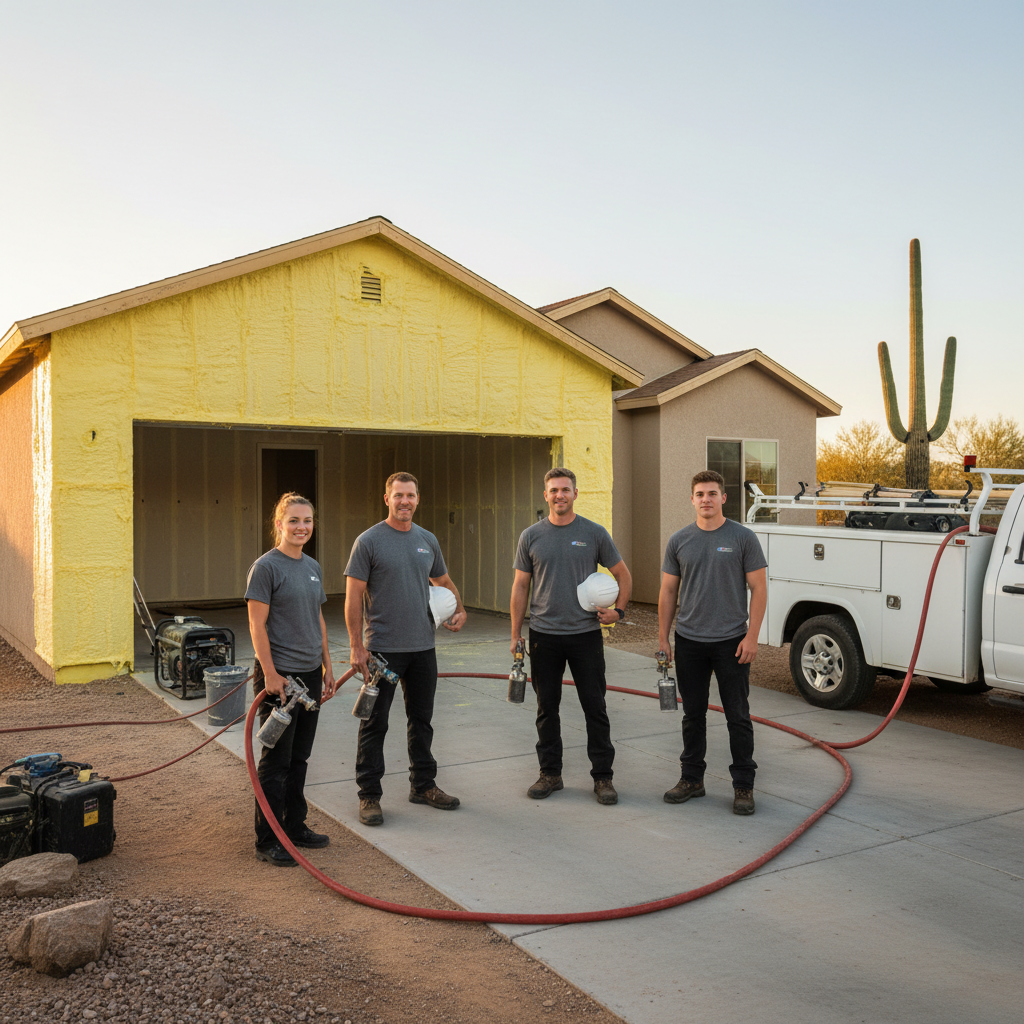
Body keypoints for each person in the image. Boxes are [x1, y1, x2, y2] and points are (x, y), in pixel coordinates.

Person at [344, 472, 467, 827]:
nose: (405, 502)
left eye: (410, 496)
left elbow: (441, 580)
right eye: (398, 495)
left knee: (422, 721)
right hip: (383, 652)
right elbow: (353, 596)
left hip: (423, 649)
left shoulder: (426, 539)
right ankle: (369, 795)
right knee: (374, 723)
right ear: (387, 499)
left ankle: (423, 785)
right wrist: (357, 647)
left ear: (417, 499)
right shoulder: (369, 541)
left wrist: (459, 608)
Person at [510, 467, 632, 805]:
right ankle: (550, 774)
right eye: (553, 490)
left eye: (565, 489)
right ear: (545, 495)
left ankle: (603, 778)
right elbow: (521, 586)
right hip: (543, 636)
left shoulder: (593, 533)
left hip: (585, 636)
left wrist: (618, 612)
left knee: (595, 707)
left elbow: (622, 574)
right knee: (546, 708)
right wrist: (515, 633)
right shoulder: (531, 536)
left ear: (575, 494)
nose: (559, 495)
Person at [657, 470, 768, 815]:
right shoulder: (679, 540)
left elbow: (759, 589)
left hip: (732, 642)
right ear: (692, 500)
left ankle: (743, 786)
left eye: (712, 493)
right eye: (700, 494)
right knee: (693, 715)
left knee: (738, 715)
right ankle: (692, 779)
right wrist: (663, 637)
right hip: (689, 641)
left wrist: (752, 637)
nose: (706, 499)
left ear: (723, 498)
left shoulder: (742, 537)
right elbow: (668, 592)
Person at [245, 492, 337, 866]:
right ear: (279, 524)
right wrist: (270, 673)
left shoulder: (312, 566)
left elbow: (317, 618)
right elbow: (256, 623)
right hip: (280, 679)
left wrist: (327, 664)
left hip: (311, 674)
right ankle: (267, 839)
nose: (302, 527)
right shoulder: (266, 567)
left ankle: (295, 826)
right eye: (294, 521)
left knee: (300, 756)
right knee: (276, 760)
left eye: (307, 521)